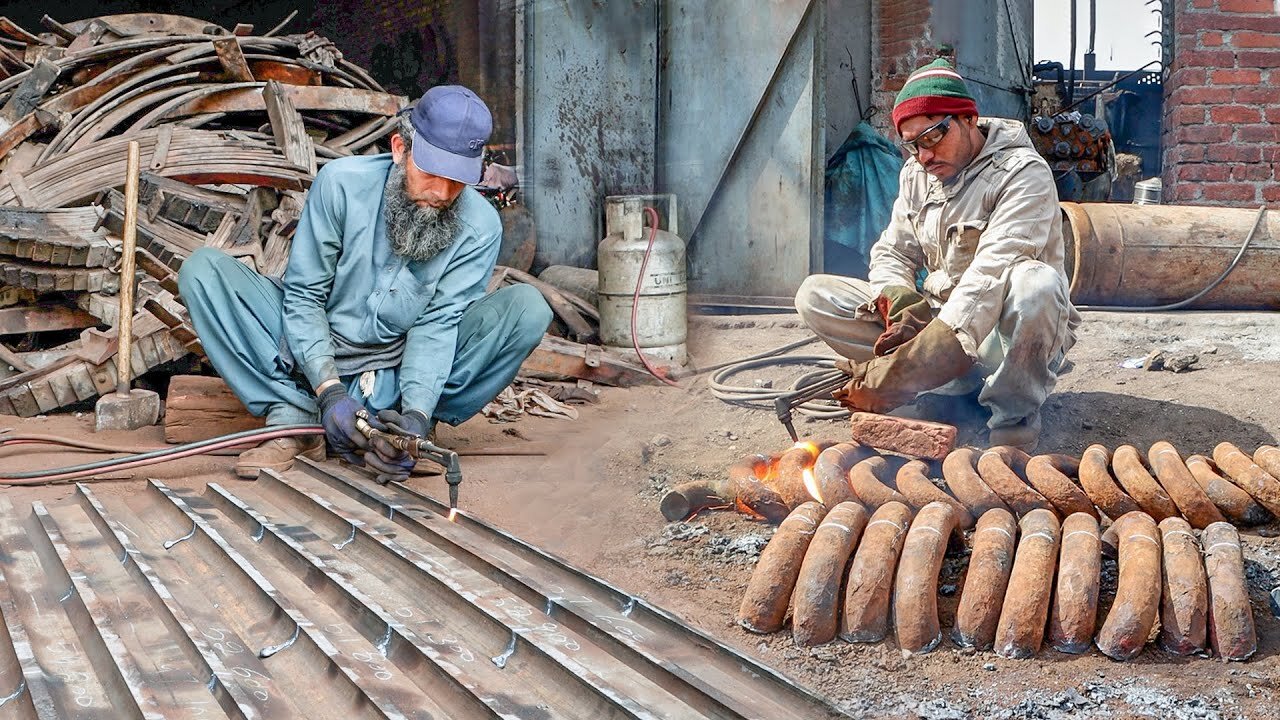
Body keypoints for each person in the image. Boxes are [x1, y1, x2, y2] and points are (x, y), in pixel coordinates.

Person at [179, 85, 552, 481]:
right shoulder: (340, 184)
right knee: (202, 273)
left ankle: (406, 433)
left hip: (399, 363)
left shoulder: (480, 226)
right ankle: (297, 418)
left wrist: (417, 414)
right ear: (399, 149)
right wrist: (329, 391)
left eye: (457, 181)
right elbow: (305, 297)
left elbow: (438, 325)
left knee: (527, 310)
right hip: (312, 352)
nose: (442, 193)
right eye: (431, 173)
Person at [795, 58, 1079, 451]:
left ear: (967, 119)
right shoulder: (917, 173)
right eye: (911, 145)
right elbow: (892, 250)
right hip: (941, 323)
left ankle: (1013, 414)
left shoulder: (1021, 173)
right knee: (817, 295)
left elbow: (991, 274)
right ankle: (944, 389)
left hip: (997, 335)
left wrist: (913, 363)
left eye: (931, 137)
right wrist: (900, 303)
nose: (923, 156)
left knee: (1037, 284)